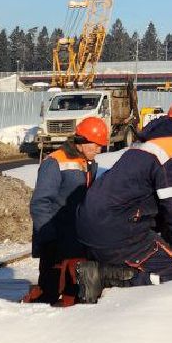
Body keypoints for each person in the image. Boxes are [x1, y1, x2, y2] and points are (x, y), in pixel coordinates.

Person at [74, 96, 172, 303]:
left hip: (89, 225)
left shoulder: (146, 143)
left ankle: (102, 272)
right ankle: (103, 277)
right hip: (116, 230)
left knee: (156, 252)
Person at [26, 114, 106, 306]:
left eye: (101, 146)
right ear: (80, 141)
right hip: (56, 242)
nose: (98, 150)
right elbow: (40, 203)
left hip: (79, 241)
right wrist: (49, 237)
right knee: (50, 294)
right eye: (94, 145)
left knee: (76, 294)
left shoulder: (89, 164)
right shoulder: (54, 162)